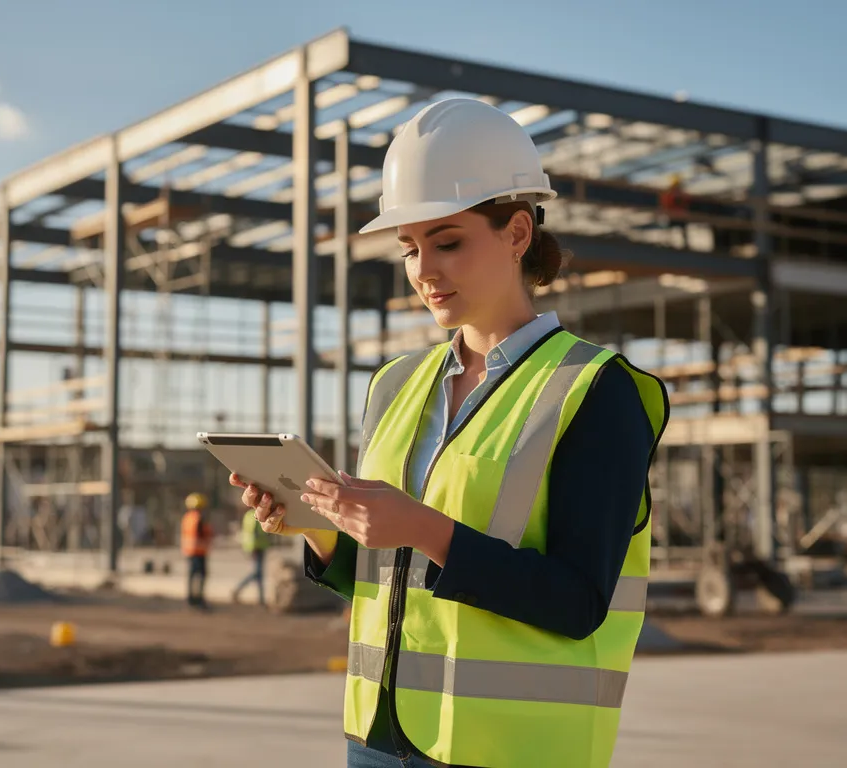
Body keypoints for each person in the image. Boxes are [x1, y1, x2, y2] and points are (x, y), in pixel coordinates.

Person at [230, 98, 668, 768]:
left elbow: (579, 601)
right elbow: (386, 575)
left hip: (511, 752)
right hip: (377, 738)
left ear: (517, 233)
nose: (424, 271)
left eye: (449, 241)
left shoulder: (594, 390)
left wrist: (420, 526)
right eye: (410, 248)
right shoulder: (394, 386)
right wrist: (319, 530)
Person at [231, 506, 272, 606]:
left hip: (255, 546)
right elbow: (255, 533)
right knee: (257, 572)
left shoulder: (248, 515)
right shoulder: (256, 515)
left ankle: (261, 598)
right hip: (256, 547)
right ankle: (238, 589)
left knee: (259, 574)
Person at [180, 492, 213, 608]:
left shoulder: (187, 517)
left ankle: (190, 599)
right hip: (199, 552)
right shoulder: (199, 518)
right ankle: (199, 600)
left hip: (189, 551)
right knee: (201, 576)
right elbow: (203, 534)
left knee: (192, 576)